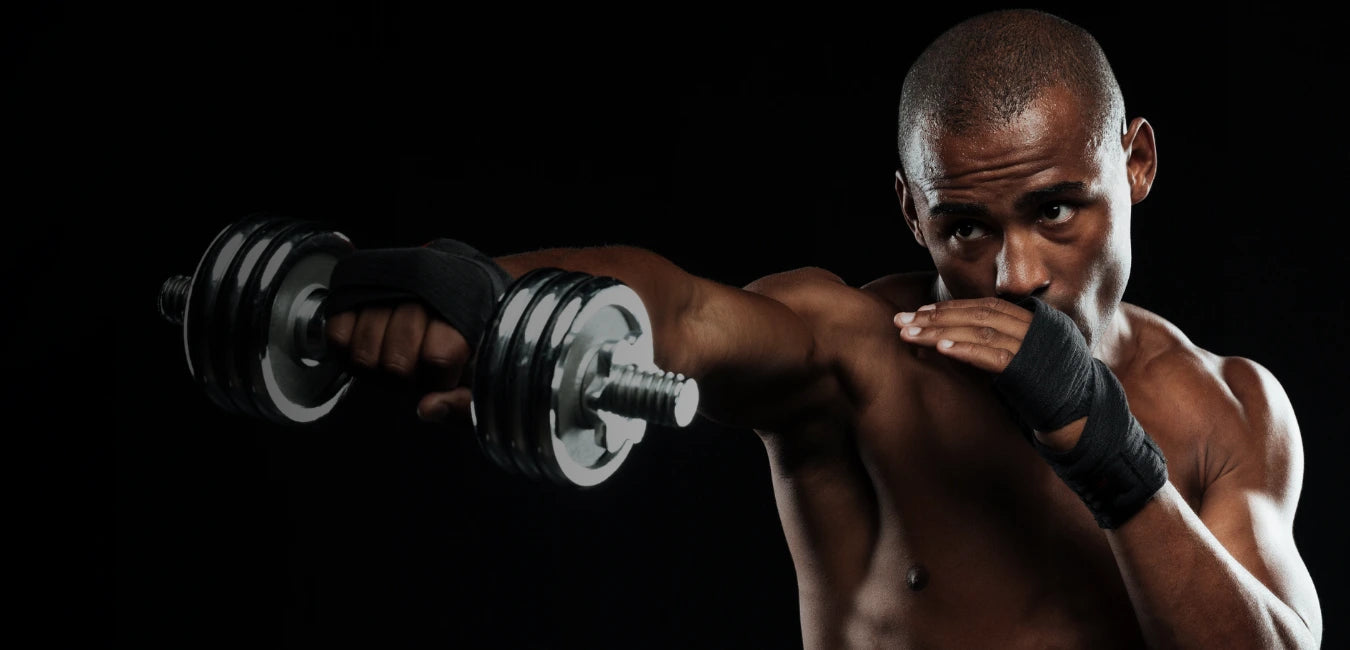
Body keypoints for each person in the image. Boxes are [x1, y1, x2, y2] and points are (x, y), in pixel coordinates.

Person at [323, 9, 1321, 648]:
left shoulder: (1227, 408)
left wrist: (1115, 459)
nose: (1016, 274)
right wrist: (477, 296)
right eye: (965, 227)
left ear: (1136, 162)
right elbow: (683, 308)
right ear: (910, 212)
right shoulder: (858, 352)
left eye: (1058, 209)